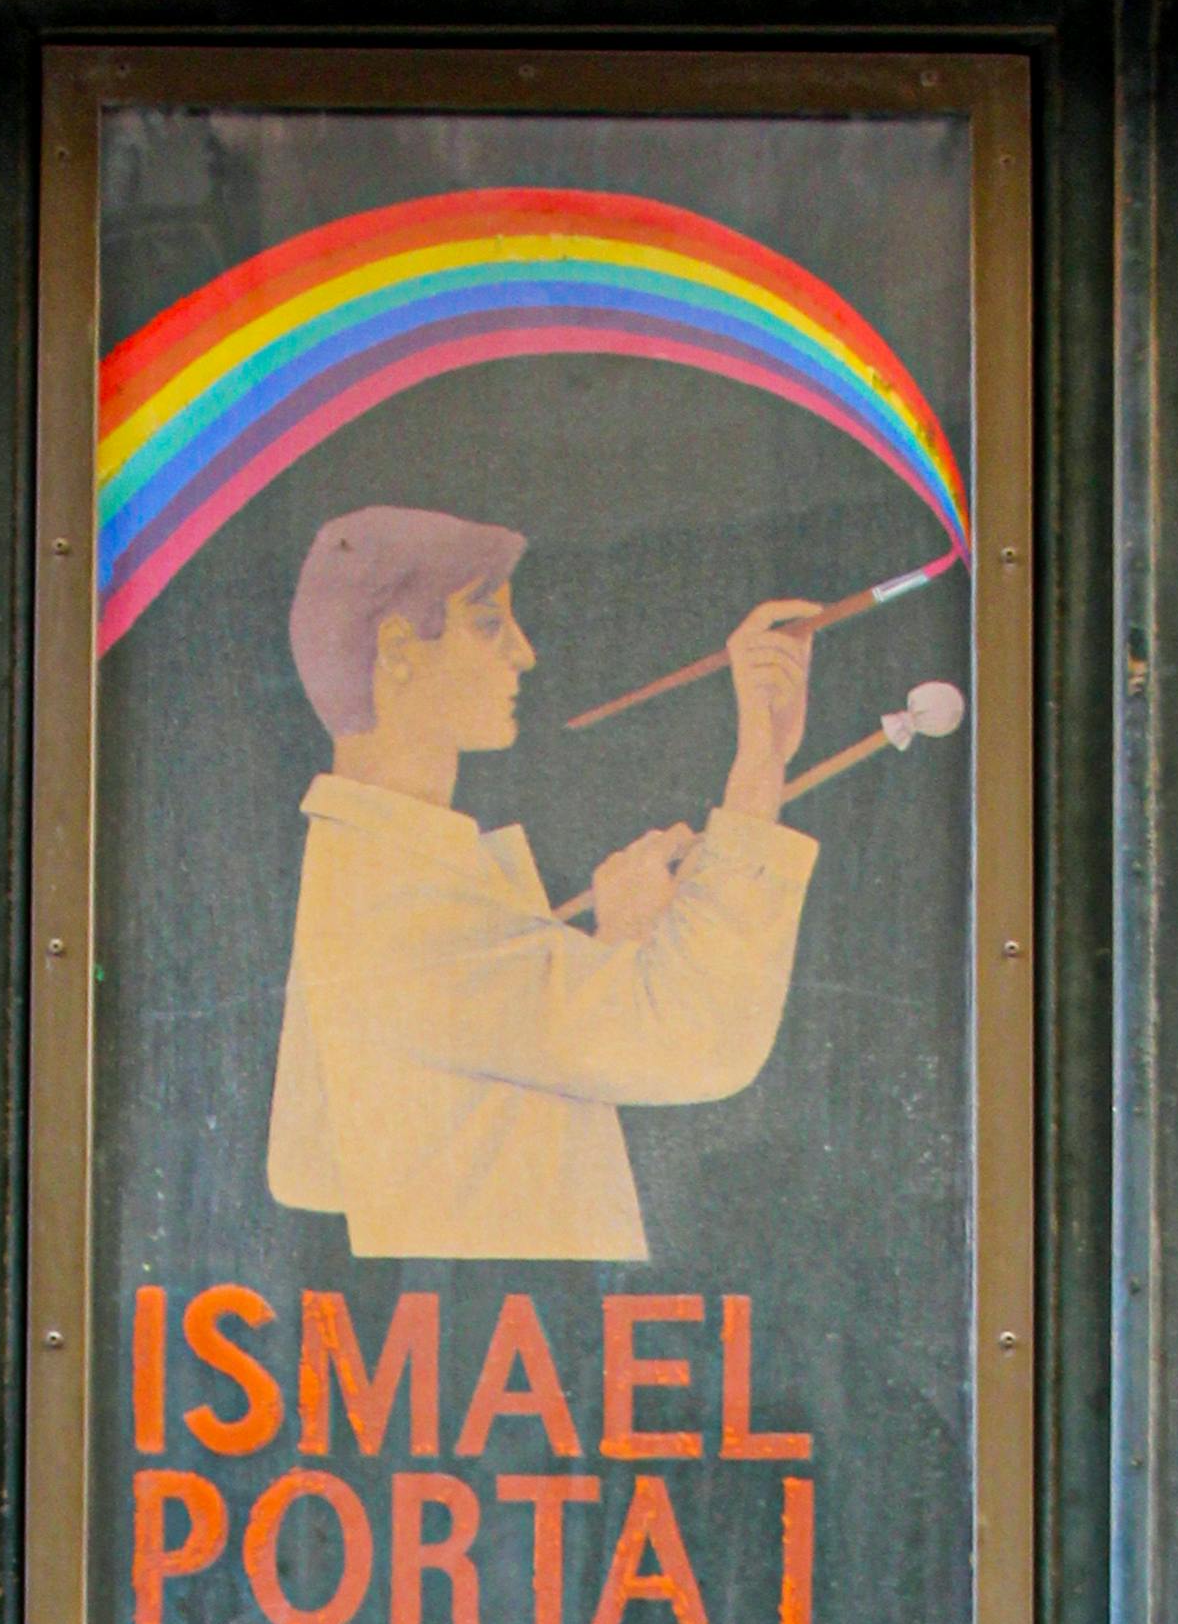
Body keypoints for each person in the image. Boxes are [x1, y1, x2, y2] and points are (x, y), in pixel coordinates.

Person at [266, 505, 820, 1265]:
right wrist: (760, 764)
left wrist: (618, 947)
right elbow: (696, 1038)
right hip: (497, 1321)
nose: (523, 654)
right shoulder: (402, 903)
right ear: (396, 648)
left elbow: (472, 1118)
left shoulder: (369, 870)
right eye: (489, 623)